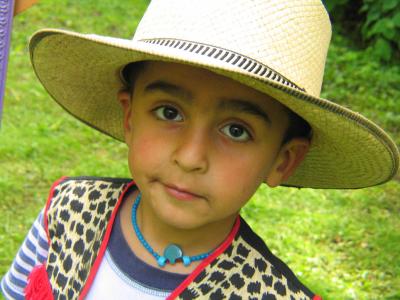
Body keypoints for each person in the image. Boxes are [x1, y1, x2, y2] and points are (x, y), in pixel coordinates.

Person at [1, 0, 399, 299]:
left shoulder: (269, 293)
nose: (190, 157)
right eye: (169, 111)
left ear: (283, 161)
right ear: (129, 116)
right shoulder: (66, 212)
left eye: (237, 131)